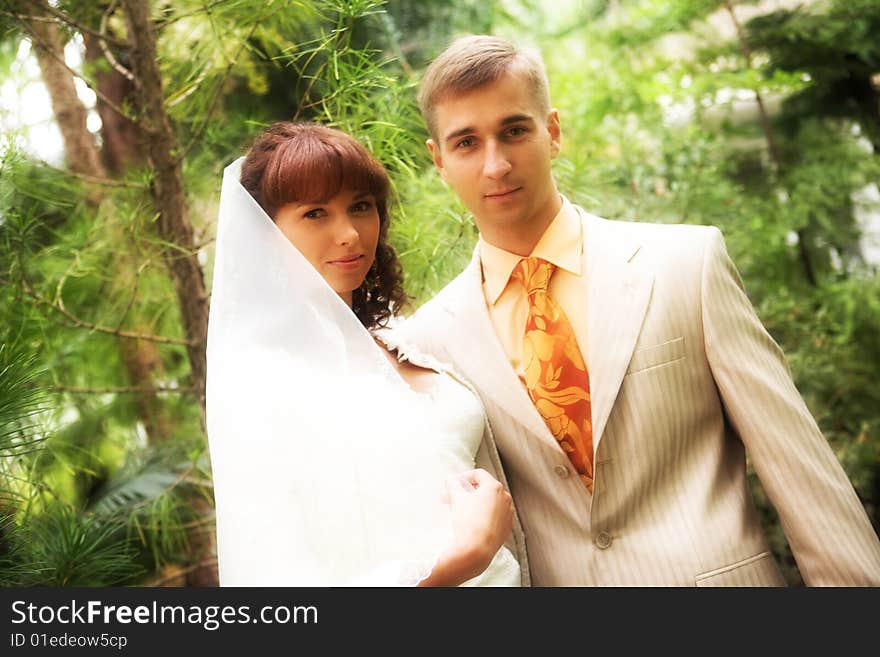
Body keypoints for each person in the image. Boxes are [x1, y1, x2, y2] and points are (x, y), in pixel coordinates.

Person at [396, 34, 880, 585]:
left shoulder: (685, 264)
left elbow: (800, 471)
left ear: (552, 131)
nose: (496, 164)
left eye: (514, 130)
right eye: (466, 142)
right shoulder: (429, 342)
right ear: (438, 160)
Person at [205, 122, 527, 586]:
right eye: (316, 213)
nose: (350, 234)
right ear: (265, 233)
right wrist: (467, 556)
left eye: (360, 206)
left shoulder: (401, 341)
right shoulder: (263, 383)